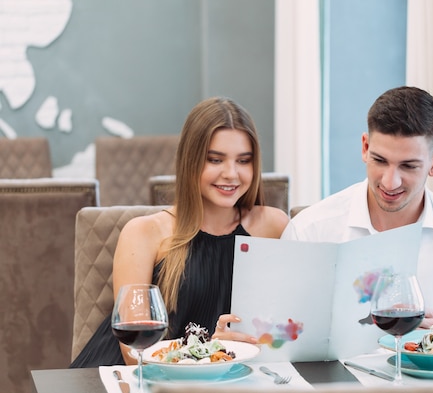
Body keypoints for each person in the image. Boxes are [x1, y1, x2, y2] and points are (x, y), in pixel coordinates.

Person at [71, 97, 290, 367]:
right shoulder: (144, 233)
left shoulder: (273, 227)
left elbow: (289, 324)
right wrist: (212, 349)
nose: (231, 174)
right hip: (130, 380)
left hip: (226, 381)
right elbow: (133, 353)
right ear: (190, 161)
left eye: (243, 161)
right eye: (215, 160)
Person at [281, 86, 433, 336]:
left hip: (428, 375)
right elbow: (283, 332)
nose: (390, 182)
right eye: (380, 160)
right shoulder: (310, 231)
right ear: (365, 148)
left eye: (408, 166)